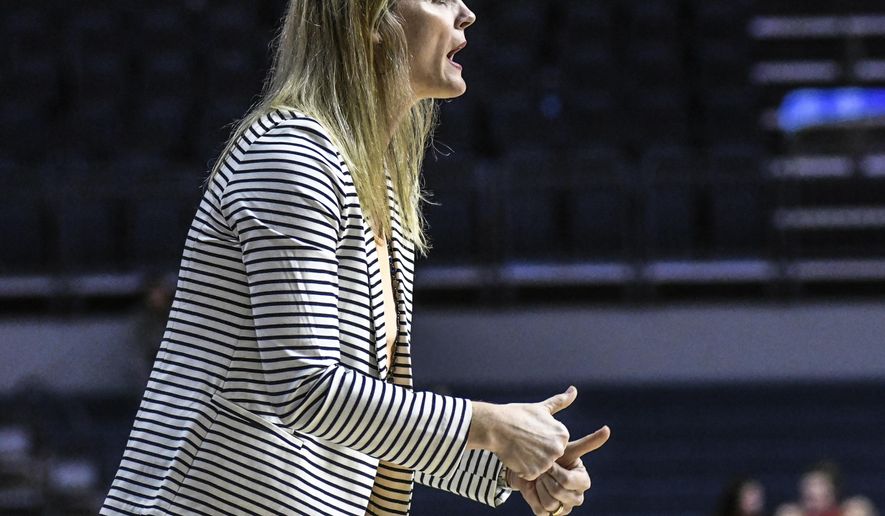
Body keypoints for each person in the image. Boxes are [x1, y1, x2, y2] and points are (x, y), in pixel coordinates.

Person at [100, 1, 610, 515]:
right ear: (371, 22)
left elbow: (355, 411)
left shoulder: (377, 182)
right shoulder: (290, 155)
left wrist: (503, 465)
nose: (466, 12)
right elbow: (306, 388)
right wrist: (488, 426)